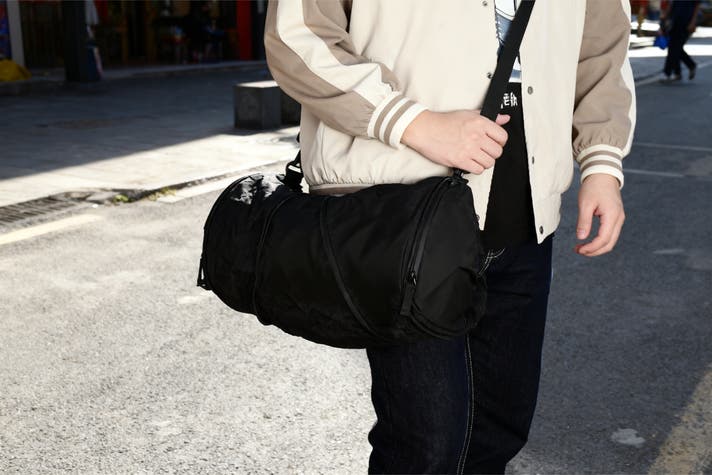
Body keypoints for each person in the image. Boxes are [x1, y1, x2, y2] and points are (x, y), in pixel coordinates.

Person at [264, 0, 635, 473]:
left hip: (527, 210)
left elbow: (602, 47)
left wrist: (602, 162)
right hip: (404, 206)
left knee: (499, 428)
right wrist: (411, 122)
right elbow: (298, 34)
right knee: (427, 442)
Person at [660, 0, 701, 82]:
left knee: (674, 47)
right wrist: (665, 18)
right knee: (675, 47)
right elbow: (671, 3)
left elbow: (697, 6)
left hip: (686, 23)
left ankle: (668, 73)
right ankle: (681, 71)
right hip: (674, 22)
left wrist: (693, 22)